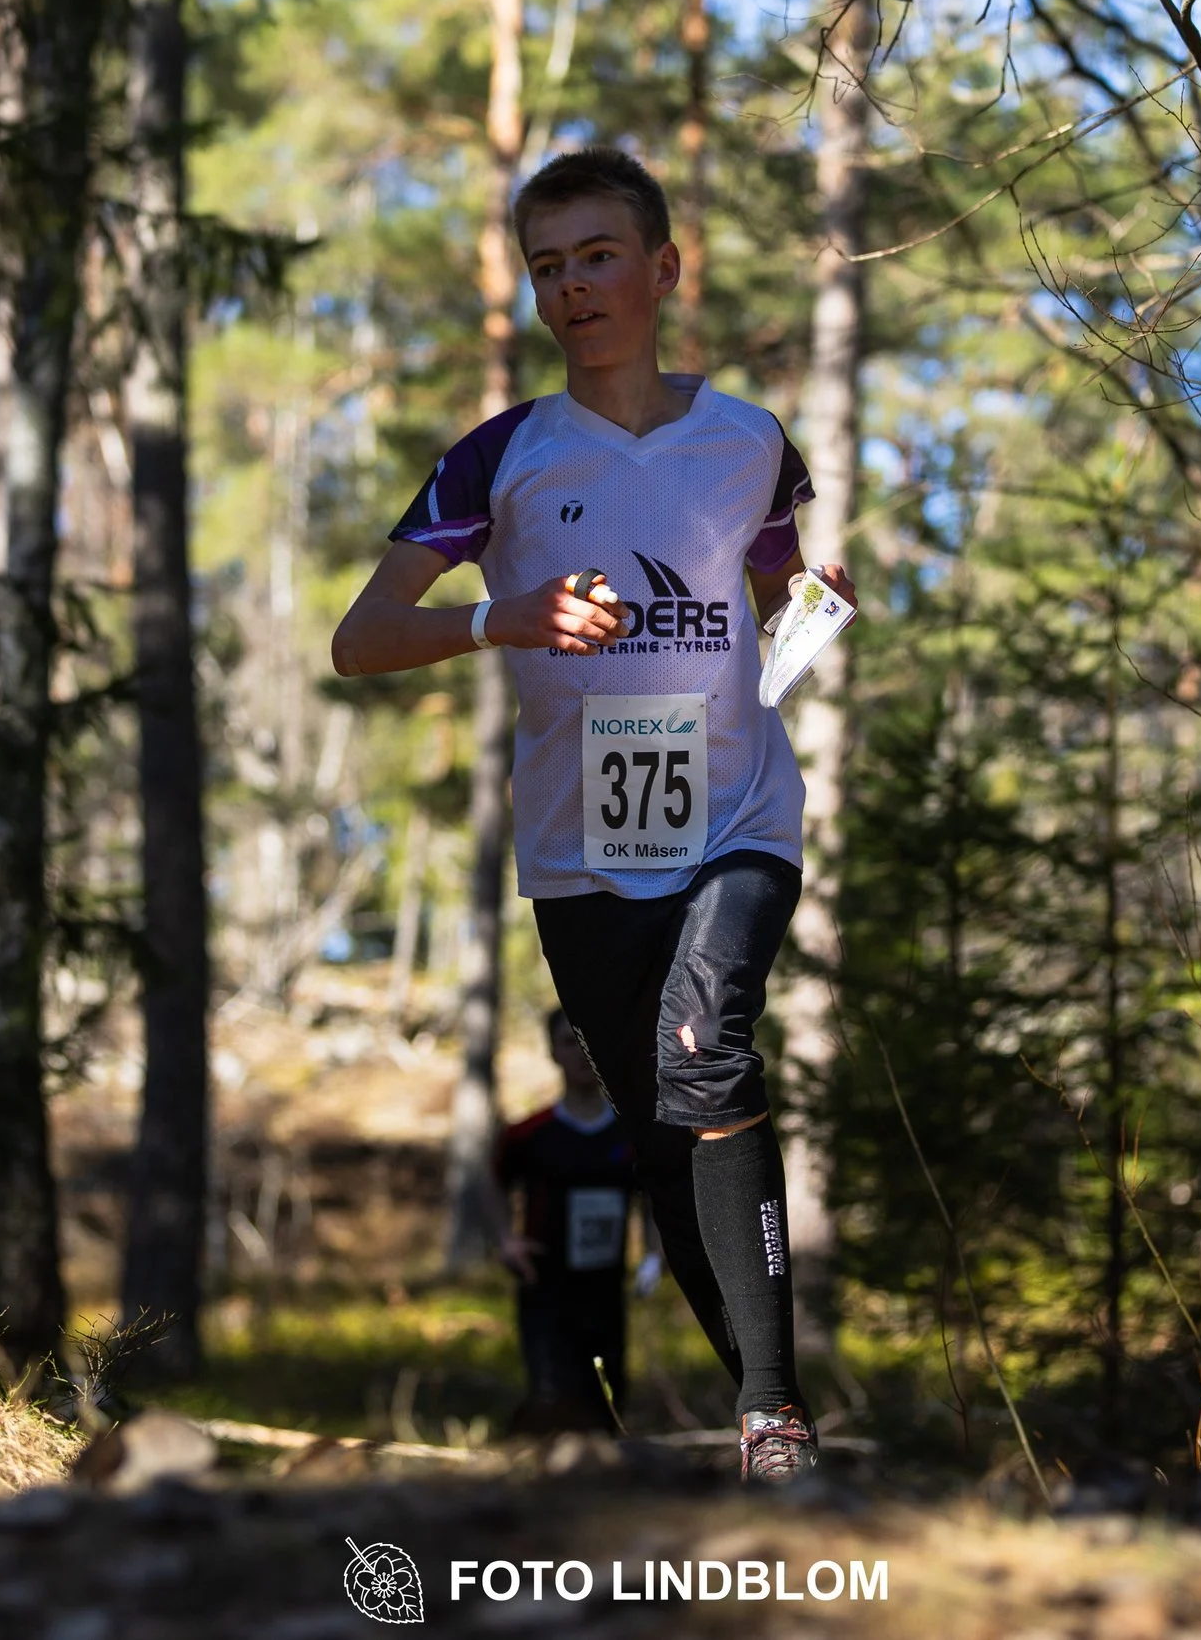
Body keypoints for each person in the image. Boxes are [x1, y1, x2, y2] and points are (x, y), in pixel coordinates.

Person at [331, 146, 852, 1483]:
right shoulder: (497, 458)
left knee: (710, 1037)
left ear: (664, 269)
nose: (573, 287)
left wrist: (814, 596)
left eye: (599, 255)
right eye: (549, 266)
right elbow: (363, 636)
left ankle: (778, 1412)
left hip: (740, 809)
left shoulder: (750, 440)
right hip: (587, 851)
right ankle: (768, 1415)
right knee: (666, 1125)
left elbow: (782, 584)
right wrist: (503, 615)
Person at [495, 1009, 657, 1432]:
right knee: (552, 1399)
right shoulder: (529, 1135)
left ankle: (604, 1488)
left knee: (607, 1400)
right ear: (552, 1051)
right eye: (569, 1042)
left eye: (589, 1041)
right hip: (545, 1288)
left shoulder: (631, 1134)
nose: (581, 1054)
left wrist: (656, 1255)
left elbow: (651, 1197)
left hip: (607, 1290)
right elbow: (490, 1183)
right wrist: (505, 1240)